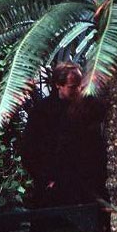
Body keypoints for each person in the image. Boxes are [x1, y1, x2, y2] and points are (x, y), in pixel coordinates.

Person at [21, 62, 107, 209]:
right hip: (54, 189)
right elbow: (28, 150)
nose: (78, 90)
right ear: (58, 85)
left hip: (85, 186)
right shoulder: (42, 112)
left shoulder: (89, 107)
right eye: (72, 87)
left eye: (80, 85)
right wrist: (46, 180)